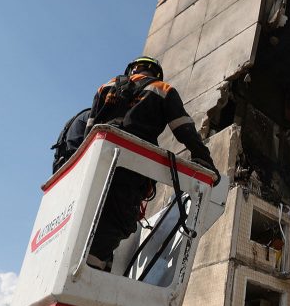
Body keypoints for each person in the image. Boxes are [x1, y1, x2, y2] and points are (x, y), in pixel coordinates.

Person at [86, 56, 219, 271]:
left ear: (132, 70)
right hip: (131, 169)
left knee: (92, 220)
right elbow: (183, 128)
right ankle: (93, 272)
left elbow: (89, 130)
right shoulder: (162, 89)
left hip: (96, 166)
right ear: (156, 72)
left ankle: (96, 266)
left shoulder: (105, 86)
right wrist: (205, 160)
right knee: (118, 222)